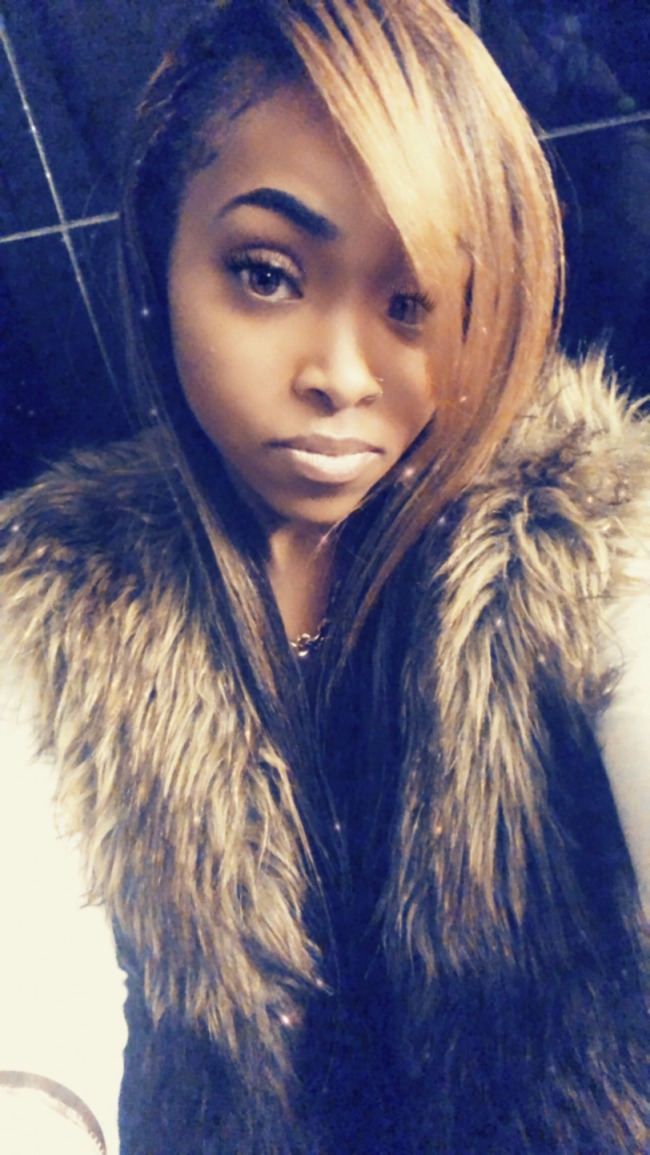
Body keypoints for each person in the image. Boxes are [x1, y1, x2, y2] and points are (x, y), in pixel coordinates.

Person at [0, 0, 648, 1151]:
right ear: (157, 264)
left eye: (412, 301)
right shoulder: (55, 593)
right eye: (265, 274)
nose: (341, 375)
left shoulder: (585, 531)